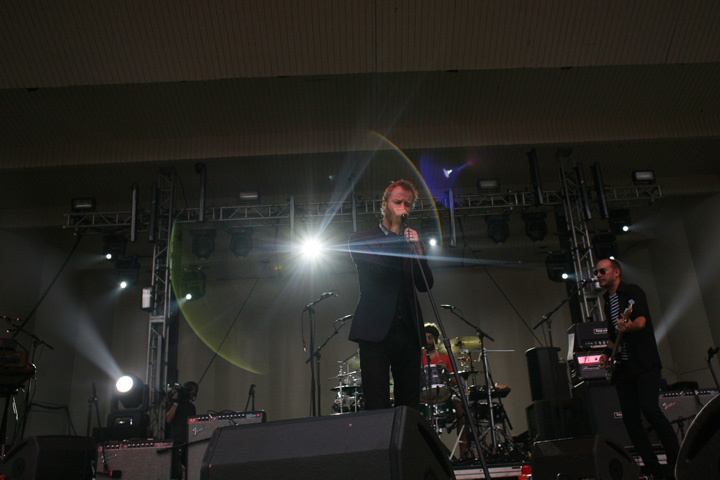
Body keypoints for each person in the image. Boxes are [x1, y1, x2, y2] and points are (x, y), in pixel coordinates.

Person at [348, 179, 433, 410]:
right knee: (377, 403)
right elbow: (378, 272)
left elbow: (425, 284)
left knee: (410, 405)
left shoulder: (410, 241)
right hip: (375, 332)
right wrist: (395, 233)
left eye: (407, 204)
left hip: (408, 331)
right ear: (384, 203)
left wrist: (419, 251)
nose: (402, 209)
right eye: (397, 202)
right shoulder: (361, 239)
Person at [596, 259, 679, 480]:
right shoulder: (607, 301)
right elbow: (613, 336)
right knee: (630, 420)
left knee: (650, 409)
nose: (598, 275)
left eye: (602, 271)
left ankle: (676, 460)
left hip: (644, 363)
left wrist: (628, 326)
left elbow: (641, 321)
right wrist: (606, 354)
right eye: (596, 272)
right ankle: (653, 468)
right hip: (623, 368)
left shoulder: (632, 291)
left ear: (616, 272)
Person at [421, 324, 469, 459]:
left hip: (444, 396)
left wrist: (446, 372)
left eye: (430, 338)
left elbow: (454, 382)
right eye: (425, 338)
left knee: (461, 409)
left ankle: (464, 453)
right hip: (423, 398)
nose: (427, 341)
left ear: (436, 340)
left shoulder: (445, 358)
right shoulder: (417, 357)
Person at [166, 381, 199, 480]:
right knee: (174, 469)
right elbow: (168, 419)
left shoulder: (191, 407)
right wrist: (176, 403)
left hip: (188, 440)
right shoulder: (175, 404)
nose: (193, 392)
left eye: (195, 390)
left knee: (191, 467)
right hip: (176, 440)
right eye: (192, 390)